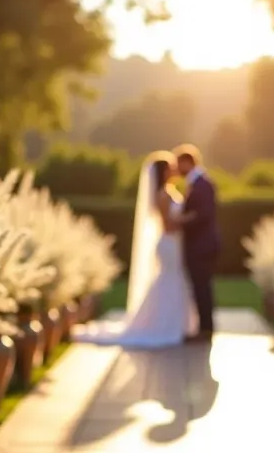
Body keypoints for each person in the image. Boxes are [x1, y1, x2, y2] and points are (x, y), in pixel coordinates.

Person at [71, 151, 196, 348]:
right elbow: (168, 225)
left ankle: (172, 323)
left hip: (173, 244)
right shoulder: (163, 195)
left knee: (172, 280)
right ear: (163, 172)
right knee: (169, 279)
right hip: (169, 244)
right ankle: (162, 325)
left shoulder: (168, 193)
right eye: (171, 168)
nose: (175, 171)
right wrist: (190, 219)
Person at [173, 144, 220, 343]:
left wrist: (180, 221)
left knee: (202, 287)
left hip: (201, 246)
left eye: (179, 164)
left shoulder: (202, 184)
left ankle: (206, 329)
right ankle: (204, 327)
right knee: (200, 287)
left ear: (187, 162)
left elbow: (204, 215)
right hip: (199, 246)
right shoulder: (197, 183)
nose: (177, 169)